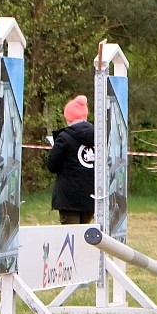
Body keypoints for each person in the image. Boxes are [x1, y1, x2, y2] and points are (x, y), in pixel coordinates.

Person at [47, 95, 96, 224]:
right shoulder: (99, 136)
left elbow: (52, 166)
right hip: (91, 195)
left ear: (68, 117)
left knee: (71, 237)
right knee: (85, 236)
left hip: (68, 198)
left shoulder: (64, 137)